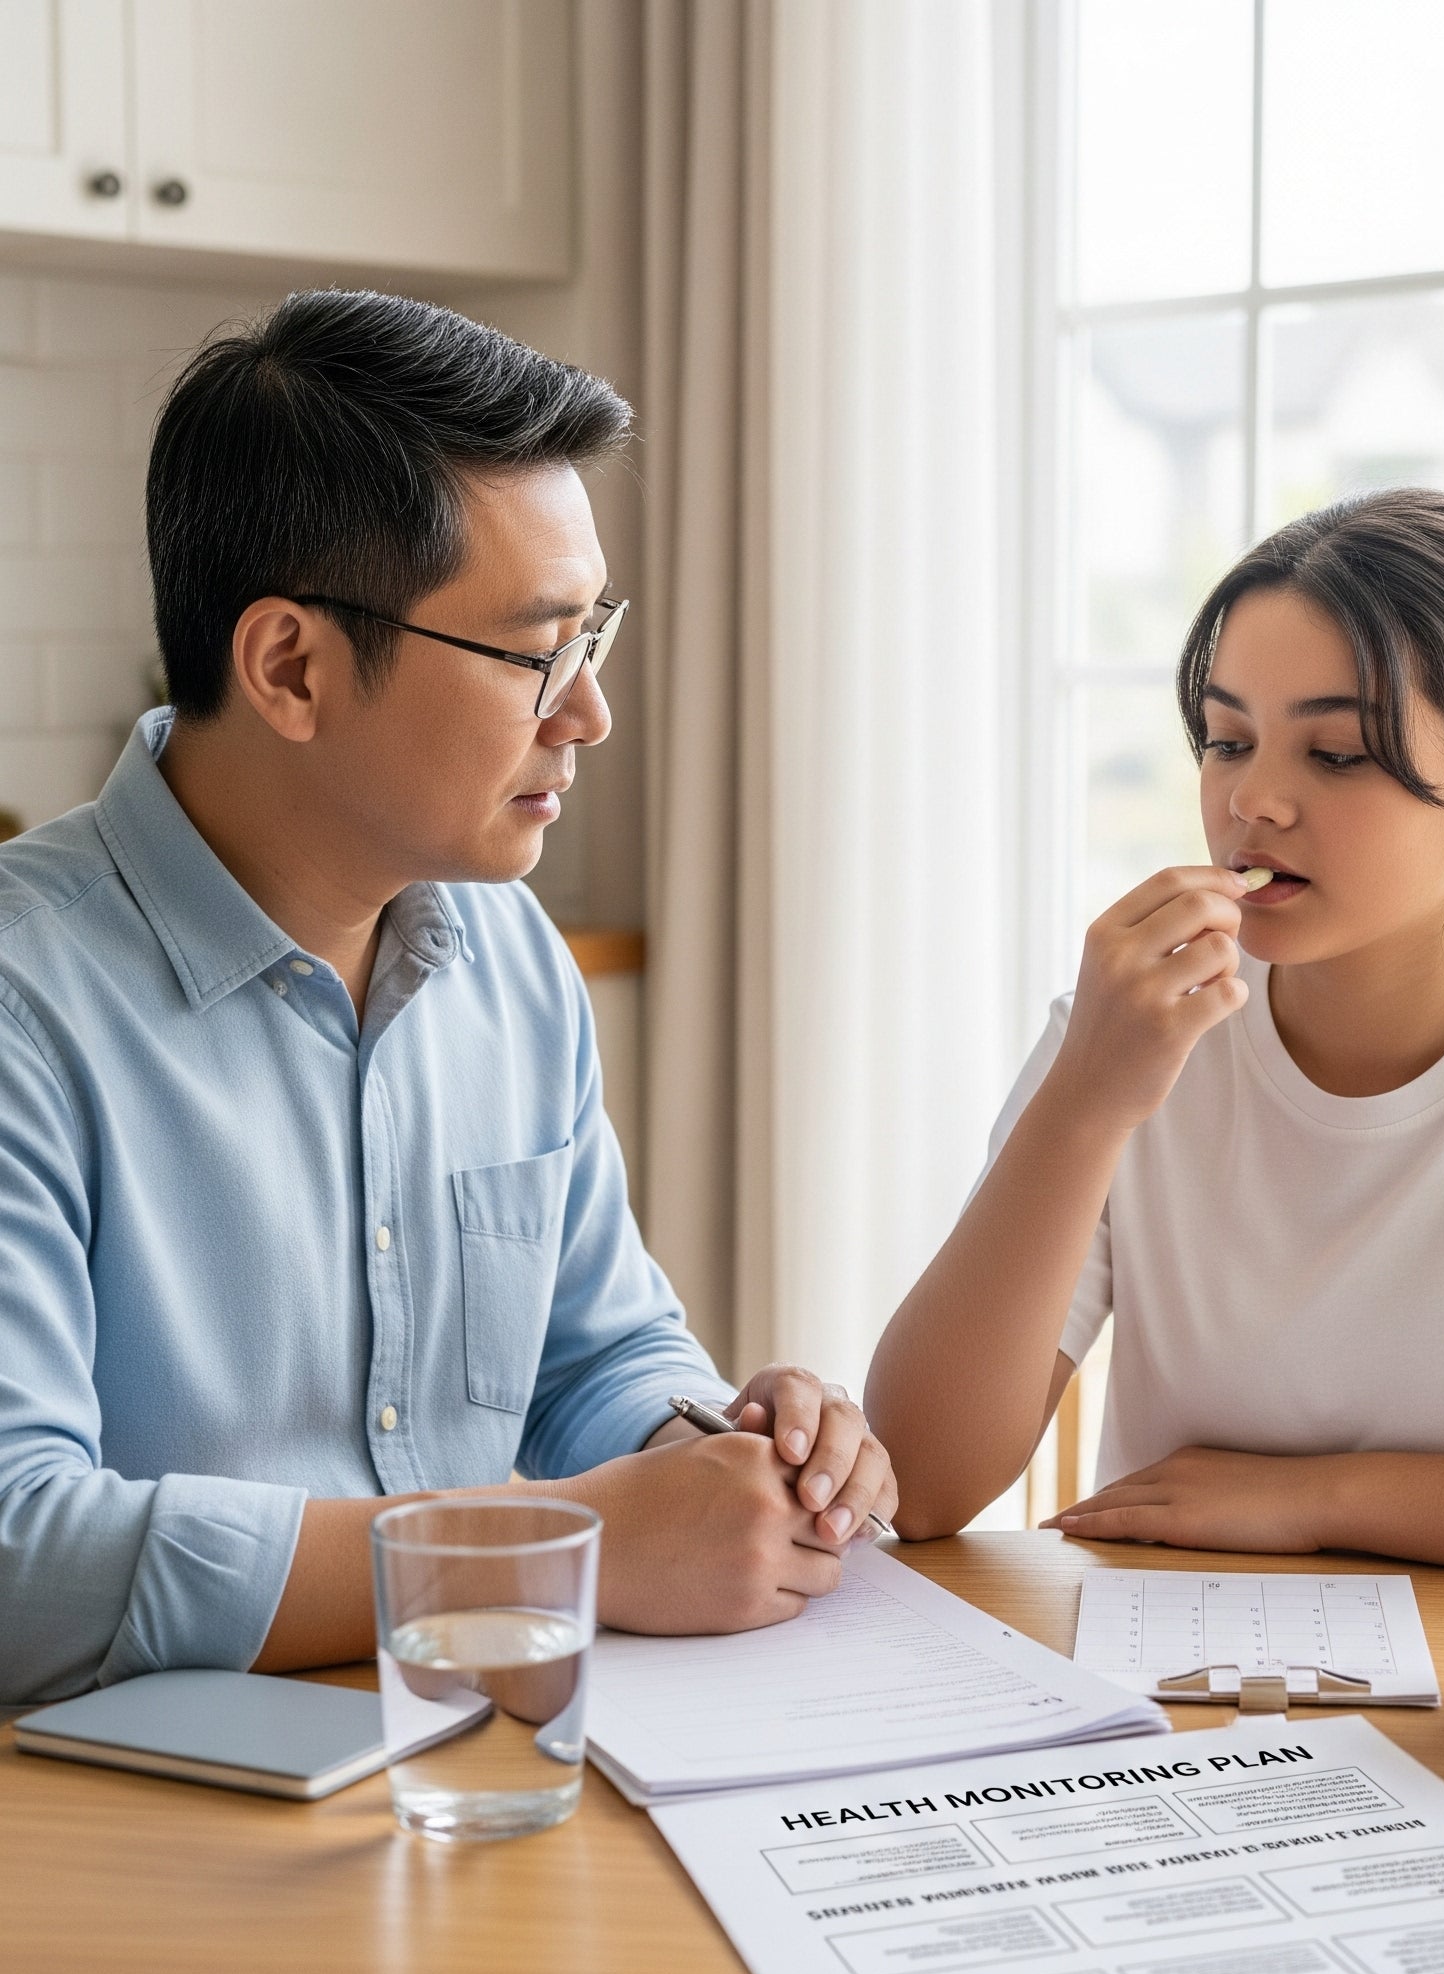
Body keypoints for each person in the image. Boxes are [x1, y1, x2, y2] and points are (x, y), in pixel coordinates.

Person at [0, 291, 894, 1705]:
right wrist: (555, 1549)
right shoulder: (23, 1002)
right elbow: (18, 1556)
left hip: (485, 1754)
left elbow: (591, 1353)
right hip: (139, 1842)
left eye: (591, 634)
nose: (587, 710)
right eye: (537, 649)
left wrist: (710, 1450)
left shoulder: (510, 957)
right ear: (290, 666)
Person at [868, 490, 1444, 1588]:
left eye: (1334, 754)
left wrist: (1316, 1498)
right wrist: (1085, 1097)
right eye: (1226, 740)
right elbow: (920, 1480)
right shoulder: (1129, 1034)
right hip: (1170, 1700)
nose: (1252, 800)